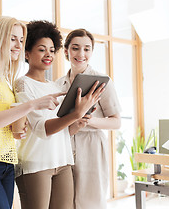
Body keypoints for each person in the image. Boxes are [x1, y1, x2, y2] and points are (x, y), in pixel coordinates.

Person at [0, 16, 65, 209]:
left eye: (21, 40)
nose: (18, 45)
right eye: (13, 38)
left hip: (5, 164)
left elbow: (0, 120)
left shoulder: (3, 79)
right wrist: (32, 105)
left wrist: (16, 128)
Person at [13, 21, 105, 209]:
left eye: (52, 50)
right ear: (27, 53)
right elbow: (42, 130)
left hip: (63, 162)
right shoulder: (22, 84)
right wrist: (75, 114)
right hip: (36, 165)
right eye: (41, 49)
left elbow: (63, 130)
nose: (48, 54)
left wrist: (77, 123)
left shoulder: (55, 86)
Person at [56, 29, 122, 209]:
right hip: (65, 144)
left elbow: (116, 121)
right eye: (75, 48)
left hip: (92, 145)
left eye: (87, 49)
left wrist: (88, 120)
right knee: (66, 201)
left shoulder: (102, 81)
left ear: (92, 52)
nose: (81, 54)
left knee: (91, 201)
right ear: (66, 51)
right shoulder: (58, 84)